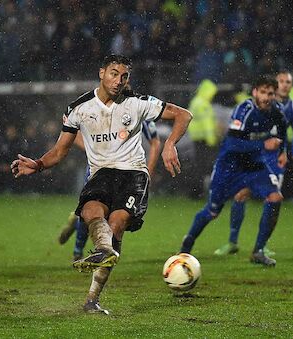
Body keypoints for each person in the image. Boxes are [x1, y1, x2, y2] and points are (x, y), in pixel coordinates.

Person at [11, 55, 192, 314]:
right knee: (88, 211)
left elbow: (183, 115)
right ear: (101, 73)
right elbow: (60, 150)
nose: (119, 81)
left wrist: (170, 144)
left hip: (133, 174)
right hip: (101, 174)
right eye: (114, 74)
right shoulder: (79, 108)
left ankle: (92, 299)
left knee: (117, 223)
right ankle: (104, 251)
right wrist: (38, 164)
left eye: (124, 76)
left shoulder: (138, 103)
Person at [179, 76, 286, 267]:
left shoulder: (275, 111)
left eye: (270, 93)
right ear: (254, 92)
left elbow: (283, 127)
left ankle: (258, 251)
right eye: (263, 92)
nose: (267, 97)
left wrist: (283, 149)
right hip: (229, 168)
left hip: (254, 167)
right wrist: (263, 144)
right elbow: (233, 144)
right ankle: (186, 246)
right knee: (212, 212)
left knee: (275, 198)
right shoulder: (244, 110)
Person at [214, 71, 293, 256]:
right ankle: (232, 242)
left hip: (274, 159)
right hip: (257, 156)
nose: (284, 85)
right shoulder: (261, 105)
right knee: (240, 195)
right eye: (281, 81)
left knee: (272, 198)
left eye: (288, 82)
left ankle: (262, 245)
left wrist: (288, 153)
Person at [58, 119, 162, 261]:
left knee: (114, 216)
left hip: (127, 173)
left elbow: (155, 142)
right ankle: (78, 251)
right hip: (99, 170)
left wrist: (148, 171)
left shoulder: (139, 109)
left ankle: (103, 251)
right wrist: (96, 150)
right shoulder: (96, 108)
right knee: (90, 212)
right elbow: (73, 134)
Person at [187, 79, 220, 198]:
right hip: (203, 139)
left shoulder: (196, 101)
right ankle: (198, 192)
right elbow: (207, 124)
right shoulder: (203, 104)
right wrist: (211, 139)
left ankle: (196, 191)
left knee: (198, 166)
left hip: (197, 138)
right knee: (202, 166)